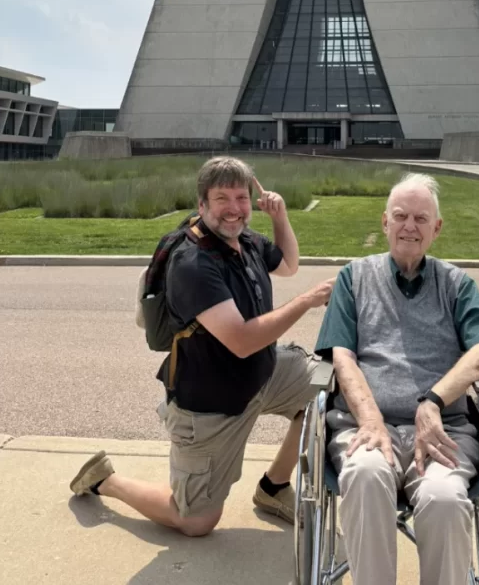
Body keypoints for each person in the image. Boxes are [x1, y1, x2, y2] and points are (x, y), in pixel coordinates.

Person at [70, 156, 333, 537]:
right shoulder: (193, 263)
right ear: (202, 205)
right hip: (211, 404)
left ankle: (273, 488)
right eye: (221, 198)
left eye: (241, 198)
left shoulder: (244, 240)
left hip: (264, 374)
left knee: (329, 386)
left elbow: (289, 264)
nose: (234, 209)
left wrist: (279, 216)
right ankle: (104, 480)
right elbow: (242, 341)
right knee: (195, 521)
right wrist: (307, 301)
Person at [315, 173, 479, 585]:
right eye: (400, 216)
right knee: (365, 476)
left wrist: (433, 402)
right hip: (364, 426)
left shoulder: (457, 284)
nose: (409, 226)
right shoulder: (354, 278)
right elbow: (342, 356)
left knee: (444, 499)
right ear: (384, 222)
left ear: (436, 228)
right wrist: (370, 420)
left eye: (421, 219)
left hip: (443, 430)